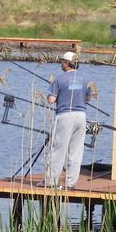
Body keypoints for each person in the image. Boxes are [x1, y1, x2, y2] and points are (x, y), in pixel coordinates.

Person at [39, 51, 92, 190]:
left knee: (58, 149)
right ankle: (70, 184)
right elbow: (88, 98)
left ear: (67, 63)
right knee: (76, 151)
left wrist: (52, 95)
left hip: (65, 115)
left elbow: (51, 100)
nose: (61, 63)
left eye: (62, 61)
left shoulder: (60, 79)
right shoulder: (86, 79)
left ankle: (51, 181)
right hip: (81, 116)